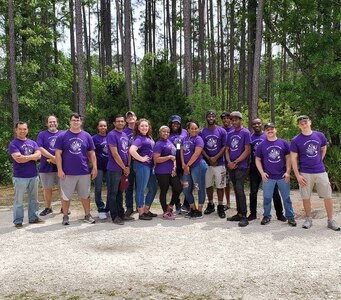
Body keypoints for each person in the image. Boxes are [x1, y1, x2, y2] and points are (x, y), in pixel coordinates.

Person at [290, 115, 340, 231]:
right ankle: (308, 219)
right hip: (305, 172)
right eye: (301, 123)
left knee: (327, 195)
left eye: (305, 122)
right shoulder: (296, 140)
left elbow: (323, 148)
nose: (304, 124)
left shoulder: (319, 135)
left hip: (320, 171)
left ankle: (330, 220)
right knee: (306, 196)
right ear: (299, 126)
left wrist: (320, 159)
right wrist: (297, 175)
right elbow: (293, 158)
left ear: (310, 122)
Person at [55, 113, 97, 225]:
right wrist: (59, 169)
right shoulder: (62, 136)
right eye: (73, 120)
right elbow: (58, 154)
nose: (76, 122)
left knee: (85, 195)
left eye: (78, 120)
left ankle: (87, 215)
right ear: (70, 122)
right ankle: (65, 216)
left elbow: (91, 153)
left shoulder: (86, 136)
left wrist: (94, 167)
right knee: (66, 195)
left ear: (81, 122)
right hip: (67, 172)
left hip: (83, 171)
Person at [255, 122, 296, 226]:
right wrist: (262, 173)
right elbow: (257, 159)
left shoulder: (283, 143)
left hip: (282, 176)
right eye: (267, 129)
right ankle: (267, 216)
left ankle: (290, 217)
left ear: (275, 130)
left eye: (271, 129)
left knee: (286, 198)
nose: (270, 131)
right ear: (265, 132)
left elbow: (288, 158)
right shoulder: (262, 145)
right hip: (268, 177)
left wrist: (287, 172)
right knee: (267, 198)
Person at [249, 118, 285, 221]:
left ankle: (279, 214)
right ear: (252, 126)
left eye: (258, 123)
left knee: (274, 191)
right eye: (254, 124)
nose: (256, 125)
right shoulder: (250, 138)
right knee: (253, 192)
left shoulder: (267, 136)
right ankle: (253, 213)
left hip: (268, 168)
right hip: (255, 168)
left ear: (261, 125)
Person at [9, 121, 42, 228]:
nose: (22, 131)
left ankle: (33, 218)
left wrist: (26, 157)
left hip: (33, 175)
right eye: (20, 129)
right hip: (20, 177)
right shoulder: (13, 144)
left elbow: (39, 155)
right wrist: (32, 157)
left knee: (34, 199)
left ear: (27, 130)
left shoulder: (33, 143)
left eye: (24, 129)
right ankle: (18, 221)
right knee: (18, 200)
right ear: (16, 130)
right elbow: (18, 159)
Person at [107, 115, 134, 225]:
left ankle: (121, 214)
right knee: (113, 193)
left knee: (120, 192)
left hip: (124, 168)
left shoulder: (124, 135)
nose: (120, 123)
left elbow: (127, 151)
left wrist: (127, 166)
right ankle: (115, 216)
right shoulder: (112, 135)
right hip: (114, 168)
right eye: (118, 121)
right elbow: (115, 153)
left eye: (122, 121)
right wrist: (124, 167)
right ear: (114, 123)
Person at [225, 111, 251, 227]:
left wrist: (236, 162)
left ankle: (245, 216)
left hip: (241, 166)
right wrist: (230, 162)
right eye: (232, 120)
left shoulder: (245, 132)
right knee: (235, 189)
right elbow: (227, 150)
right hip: (231, 166)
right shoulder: (230, 134)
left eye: (236, 119)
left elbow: (247, 150)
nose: (234, 122)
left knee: (240, 189)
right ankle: (239, 213)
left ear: (241, 120)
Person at [200, 110, 227, 218]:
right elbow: (200, 147)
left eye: (213, 116)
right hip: (207, 164)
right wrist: (209, 158)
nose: (211, 118)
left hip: (220, 163)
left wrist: (216, 157)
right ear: (206, 118)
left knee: (220, 186)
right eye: (209, 116)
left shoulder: (221, 131)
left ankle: (220, 206)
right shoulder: (202, 132)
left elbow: (225, 146)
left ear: (215, 118)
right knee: (208, 185)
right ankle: (210, 204)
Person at [129, 118, 158, 220]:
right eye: (142, 126)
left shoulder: (148, 137)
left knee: (153, 188)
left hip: (149, 167)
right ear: (138, 127)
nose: (144, 127)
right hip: (142, 166)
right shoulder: (139, 138)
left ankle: (146, 209)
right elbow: (132, 150)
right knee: (141, 189)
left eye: (146, 126)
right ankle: (141, 212)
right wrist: (141, 158)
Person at [36, 115, 63, 216]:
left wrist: (58, 159)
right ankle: (48, 208)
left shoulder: (62, 134)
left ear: (57, 123)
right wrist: (52, 157)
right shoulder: (42, 134)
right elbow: (40, 148)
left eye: (54, 121)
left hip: (60, 166)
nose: (52, 123)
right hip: (46, 166)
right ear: (47, 123)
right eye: (50, 122)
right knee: (47, 188)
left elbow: (66, 148)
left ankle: (64, 207)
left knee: (62, 187)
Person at [154, 125, 182, 220]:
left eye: (167, 132)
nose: (166, 133)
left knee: (178, 188)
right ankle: (165, 212)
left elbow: (174, 157)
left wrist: (175, 167)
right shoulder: (158, 144)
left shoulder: (169, 142)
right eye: (163, 132)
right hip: (162, 171)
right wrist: (168, 157)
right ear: (160, 133)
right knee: (164, 190)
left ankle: (170, 206)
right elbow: (156, 159)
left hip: (171, 171)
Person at [181, 121, 208, 219]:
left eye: (196, 128)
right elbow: (182, 151)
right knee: (186, 188)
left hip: (198, 166)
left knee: (199, 188)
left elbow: (197, 153)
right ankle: (193, 208)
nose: (194, 130)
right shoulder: (184, 138)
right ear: (188, 129)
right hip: (187, 167)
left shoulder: (199, 139)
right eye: (192, 128)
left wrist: (188, 165)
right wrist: (184, 164)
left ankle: (199, 211)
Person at [168, 114, 189, 213]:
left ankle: (186, 204)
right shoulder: (168, 133)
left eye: (177, 123)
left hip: (184, 162)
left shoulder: (185, 132)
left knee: (186, 184)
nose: (175, 125)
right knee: (176, 186)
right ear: (171, 123)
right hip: (173, 164)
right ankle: (177, 205)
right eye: (173, 123)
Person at [92, 120, 109, 220]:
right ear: (98, 127)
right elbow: (90, 153)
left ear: (107, 127)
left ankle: (108, 208)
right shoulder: (94, 138)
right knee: (98, 189)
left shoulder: (110, 137)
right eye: (101, 126)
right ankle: (101, 209)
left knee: (111, 188)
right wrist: (93, 166)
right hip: (98, 167)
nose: (103, 127)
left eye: (104, 126)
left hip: (110, 167)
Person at [124, 111, 137, 217]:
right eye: (128, 117)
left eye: (132, 116)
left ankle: (139, 205)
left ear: (136, 118)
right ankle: (129, 207)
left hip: (140, 161)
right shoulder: (123, 132)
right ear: (126, 120)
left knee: (140, 185)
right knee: (128, 186)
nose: (130, 117)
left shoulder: (140, 129)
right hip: (128, 162)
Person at [220, 112, 234, 211]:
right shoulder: (220, 130)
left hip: (234, 161)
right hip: (222, 161)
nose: (225, 120)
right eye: (223, 118)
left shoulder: (235, 129)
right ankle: (228, 203)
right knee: (226, 183)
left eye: (227, 118)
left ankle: (240, 204)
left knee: (237, 184)